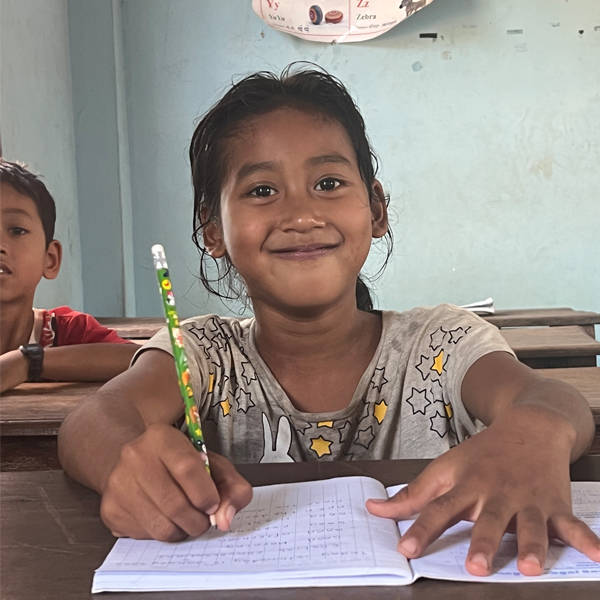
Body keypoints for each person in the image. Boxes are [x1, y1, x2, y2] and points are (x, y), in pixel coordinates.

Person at [57, 65, 599, 577]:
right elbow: (93, 420)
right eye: (261, 191)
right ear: (213, 232)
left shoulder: (440, 342)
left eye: (329, 183)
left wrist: (533, 434)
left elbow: (553, 400)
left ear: (376, 209)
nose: (301, 215)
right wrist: (123, 466)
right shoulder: (202, 352)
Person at [0, 159, 139, 393]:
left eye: (17, 230)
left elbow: (137, 359)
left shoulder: (68, 331)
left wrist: (27, 362)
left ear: (50, 259)